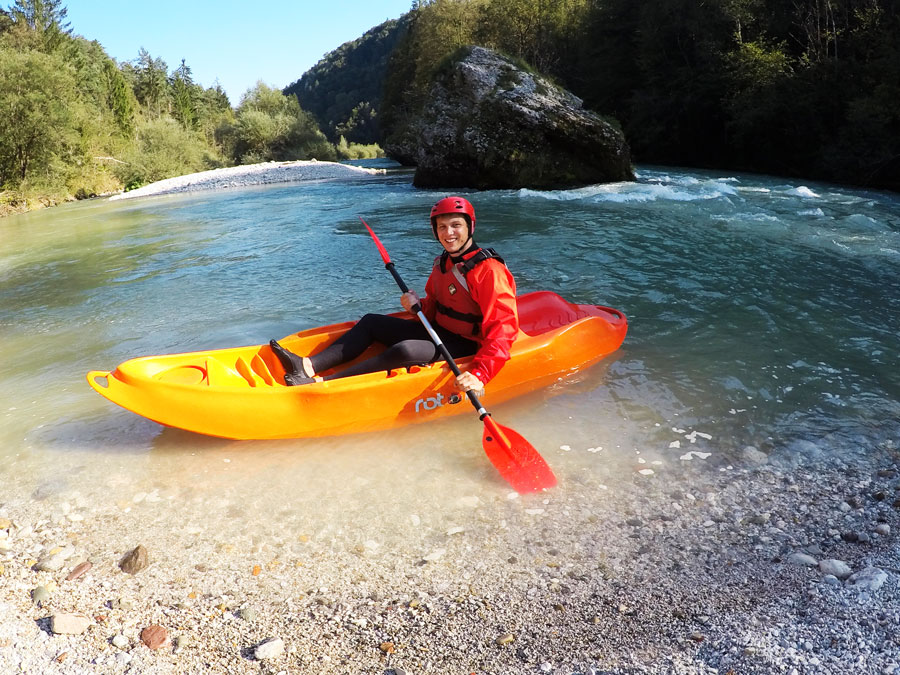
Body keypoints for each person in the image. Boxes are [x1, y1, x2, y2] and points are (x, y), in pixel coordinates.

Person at [269, 196, 519, 395]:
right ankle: (307, 366)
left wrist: (480, 374)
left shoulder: (489, 271)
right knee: (371, 321)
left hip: (468, 343)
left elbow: (504, 328)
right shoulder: (442, 263)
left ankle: (324, 383)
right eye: (442, 227)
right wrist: (417, 306)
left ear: (470, 227)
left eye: (456, 225)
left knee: (407, 350)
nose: (448, 233)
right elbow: (435, 307)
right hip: (440, 332)